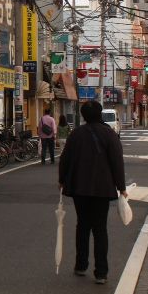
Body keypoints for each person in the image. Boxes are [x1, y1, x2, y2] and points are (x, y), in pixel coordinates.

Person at [58, 100, 127, 284]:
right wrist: (121, 187)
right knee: (100, 228)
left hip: (79, 188)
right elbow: (117, 162)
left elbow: (65, 159)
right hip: (102, 188)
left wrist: (62, 180)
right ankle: (101, 272)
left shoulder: (76, 134)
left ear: (83, 116)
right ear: (100, 114)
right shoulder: (109, 134)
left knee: (82, 225)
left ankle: (81, 265)